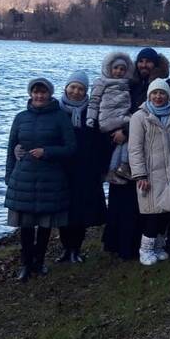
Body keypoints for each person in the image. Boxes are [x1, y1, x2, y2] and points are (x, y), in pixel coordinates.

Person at [5, 78, 76, 282]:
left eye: (43, 92)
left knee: (45, 225)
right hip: (24, 178)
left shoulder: (60, 117)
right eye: (35, 92)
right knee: (26, 226)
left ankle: (39, 262)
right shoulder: (20, 117)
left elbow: (71, 148)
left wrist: (47, 152)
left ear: (50, 94)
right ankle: (25, 264)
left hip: (50, 178)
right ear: (30, 94)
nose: (39, 96)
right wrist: (9, 175)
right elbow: (11, 148)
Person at [102, 47, 170, 260]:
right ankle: (116, 243)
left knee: (136, 201)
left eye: (148, 62)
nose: (144, 66)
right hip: (120, 148)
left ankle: (134, 245)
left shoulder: (158, 88)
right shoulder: (128, 83)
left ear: (156, 64)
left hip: (144, 149)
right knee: (119, 198)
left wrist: (125, 131)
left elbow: (148, 116)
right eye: (141, 61)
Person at [128, 78, 170, 266]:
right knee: (151, 213)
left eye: (162, 93)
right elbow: (134, 148)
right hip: (150, 174)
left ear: (167, 95)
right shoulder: (139, 117)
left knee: (167, 213)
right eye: (155, 93)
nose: (158, 96)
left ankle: (159, 246)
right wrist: (140, 174)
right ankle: (145, 249)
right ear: (149, 95)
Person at [56, 70, 107, 263]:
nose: (76, 92)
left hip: (86, 168)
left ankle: (75, 248)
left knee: (81, 211)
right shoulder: (56, 109)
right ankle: (65, 247)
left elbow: (101, 140)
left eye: (81, 89)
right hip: (62, 168)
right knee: (63, 210)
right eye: (73, 87)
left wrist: (102, 168)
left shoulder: (92, 112)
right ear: (66, 88)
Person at [86, 52, 134, 182]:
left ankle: (114, 170)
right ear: (109, 68)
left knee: (122, 141)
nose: (118, 71)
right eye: (116, 68)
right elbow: (94, 101)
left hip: (121, 116)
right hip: (109, 118)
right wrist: (90, 118)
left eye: (122, 69)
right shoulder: (102, 82)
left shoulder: (125, 83)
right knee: (135, 127)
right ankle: (123, 164)